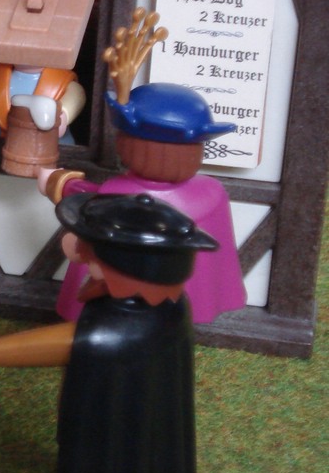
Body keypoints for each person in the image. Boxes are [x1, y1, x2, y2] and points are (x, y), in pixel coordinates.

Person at [0, 192, 218, 473]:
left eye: (91, 247)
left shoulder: (121, 327)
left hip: (112, 439)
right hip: (134, 431)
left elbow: (72, 341)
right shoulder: (170, 306)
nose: (77, 249)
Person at [41, 82, 244, 323]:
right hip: (174, 311)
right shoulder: (213, 193)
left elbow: (87, 199)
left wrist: (60, 182)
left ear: (127, 144)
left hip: (116, 304)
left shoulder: (115, 193)